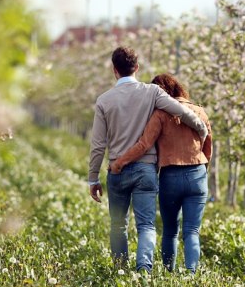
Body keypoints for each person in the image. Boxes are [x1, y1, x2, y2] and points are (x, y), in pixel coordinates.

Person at [88, 48, 208, 272]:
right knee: (146, 225)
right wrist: (201, 129)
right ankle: (144, 269)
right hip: (146, 170)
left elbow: (97, 145)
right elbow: (181, 111)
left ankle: (120, 269)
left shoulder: (104, 101)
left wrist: (93, 178)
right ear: (137, 67)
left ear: (114, 70)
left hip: (117, 170)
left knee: (118, 226)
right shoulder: (152, 92)